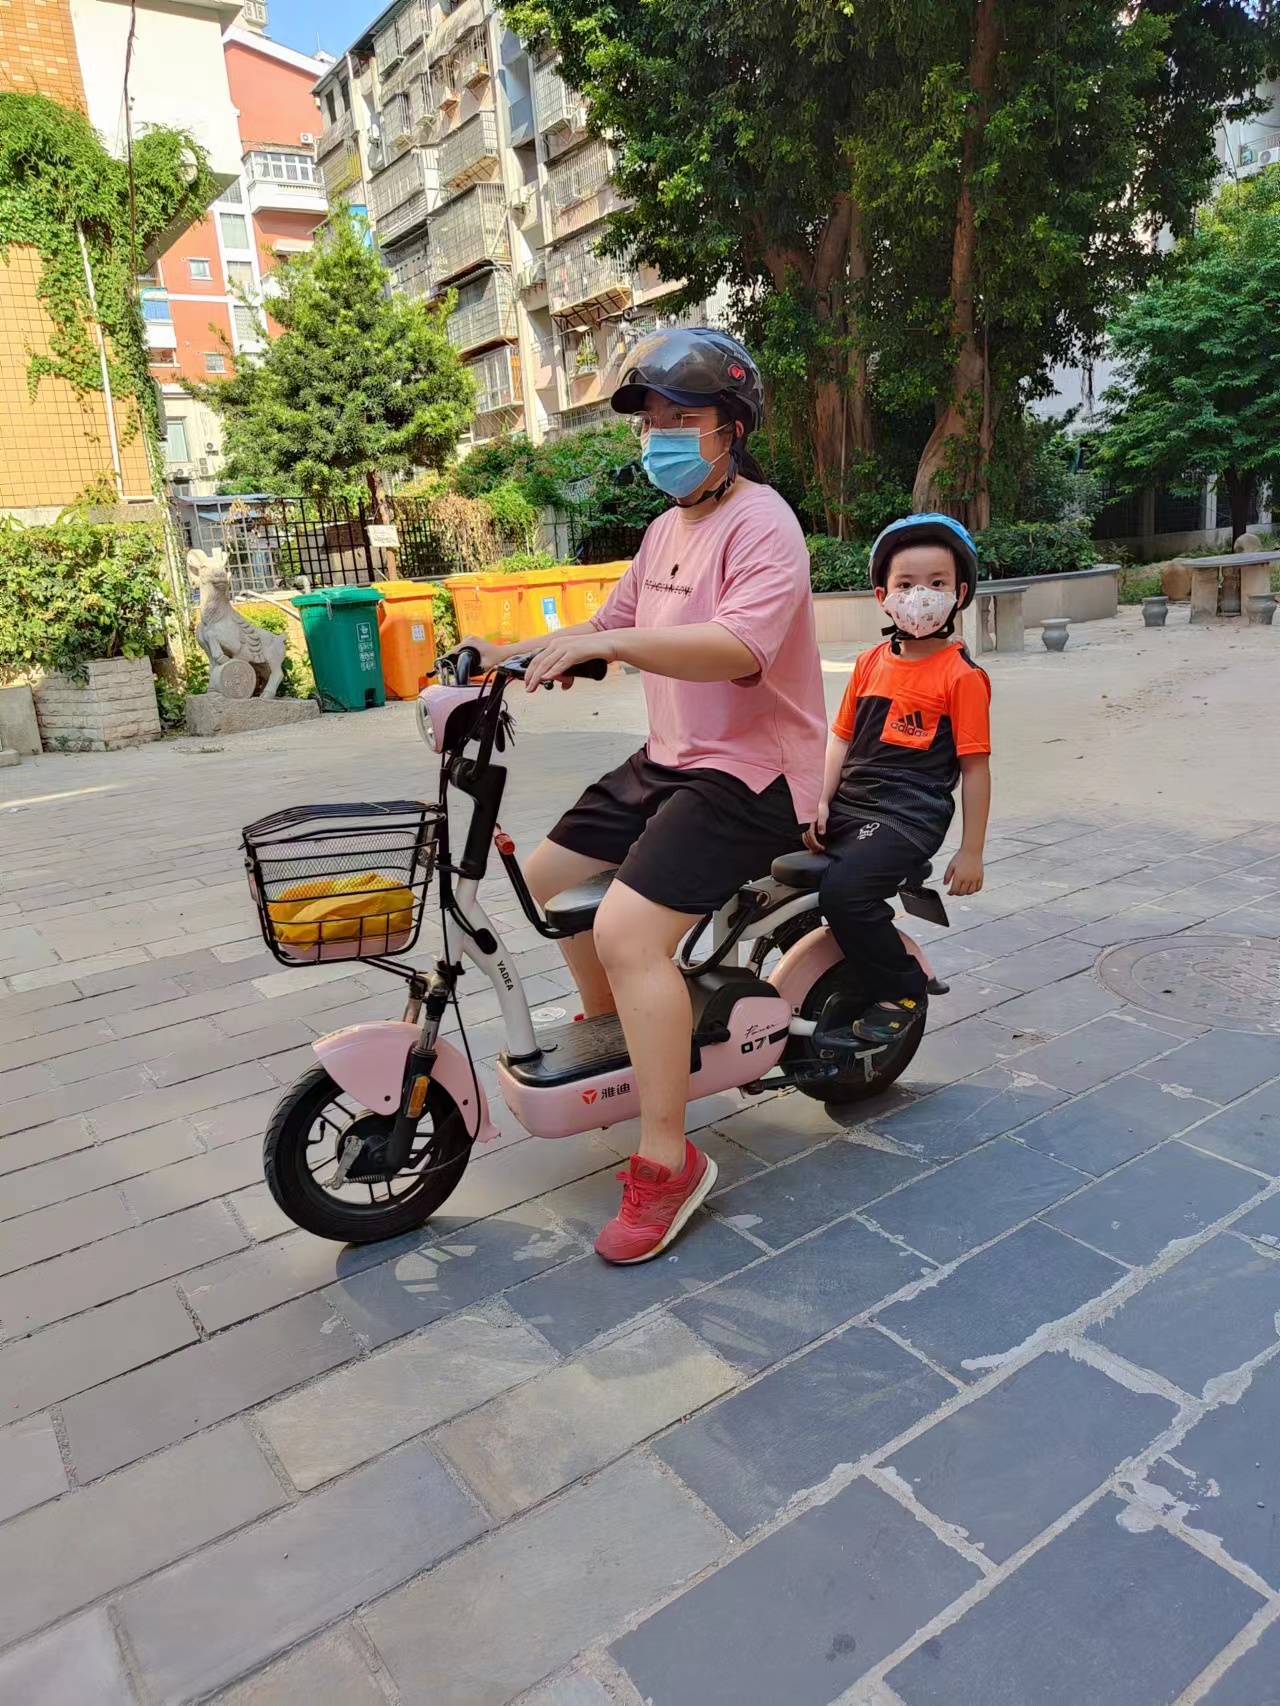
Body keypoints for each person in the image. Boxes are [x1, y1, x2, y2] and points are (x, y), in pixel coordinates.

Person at [459, 327, 826, 1264]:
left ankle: (668, 1159)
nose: (661, 434)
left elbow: (738, 647)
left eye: (680, 417)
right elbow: (606, 626)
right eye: (652, 419)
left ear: (731, 427)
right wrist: (509, 655)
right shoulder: (666, 529)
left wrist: (611, 646)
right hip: (671, 757)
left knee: (626, 933)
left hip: (752, 773)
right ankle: (622, 1035)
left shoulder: (764, 523)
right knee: (541, 881)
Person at [809, 514, 992, 1044]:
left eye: (936, 583)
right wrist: (819, 800)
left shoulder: (962, 677)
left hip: (907, 816)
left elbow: (975, 768)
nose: (920, 596)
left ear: (959, 594)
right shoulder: (868, 663)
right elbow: (840, 739)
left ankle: (902, 990)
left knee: (845, 893)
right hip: (851, 802)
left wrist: (972, 852)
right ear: (882, 597)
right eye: (906, 585)